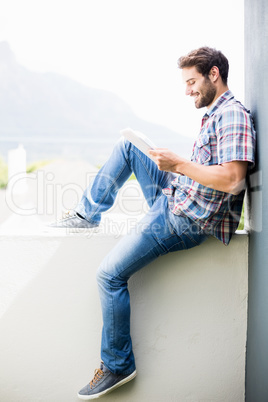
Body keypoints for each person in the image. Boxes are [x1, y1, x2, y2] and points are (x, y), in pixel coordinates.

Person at [51, 47, 256, 400]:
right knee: (130, 147)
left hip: (185, 220)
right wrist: (173, 168)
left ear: (214, 75)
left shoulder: (232, 116)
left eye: (192, 81)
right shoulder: (215, 114)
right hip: (178, 198)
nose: (188, 90)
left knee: (109, 275)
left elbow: (232, 180)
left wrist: (177, 164)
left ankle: (117, 364)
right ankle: (87, 213)